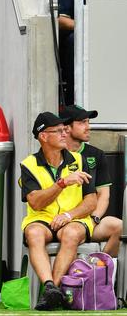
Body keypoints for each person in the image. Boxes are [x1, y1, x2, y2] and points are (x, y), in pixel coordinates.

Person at [20, 111, 96, 310]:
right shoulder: (29, 164)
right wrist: (61, 183)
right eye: (59, 131)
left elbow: (91, 201)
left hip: (74, 218)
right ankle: (50, 286)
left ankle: (52, 292)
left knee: (71, 233)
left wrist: (69, 215)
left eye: (65, 130)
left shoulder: (79, 160)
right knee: (33, 233)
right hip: (42, 218)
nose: (65, 134)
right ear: (43, 136)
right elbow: (35, 202)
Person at [58, 0, 127, 104]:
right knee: (71, 41)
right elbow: (61, 19)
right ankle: (75, 107)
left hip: (120, 37)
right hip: (87, 38)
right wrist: (91, 25)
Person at [61, 105, 122, 256]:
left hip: (89, 221)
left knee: (120, 226)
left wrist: (94, 219)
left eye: (88, 122)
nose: (88, 127)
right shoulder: (54, 154)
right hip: (61, 221)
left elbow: (103, 195)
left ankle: (98, 269)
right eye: (82, 122)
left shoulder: (96, 155)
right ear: (67, 127)